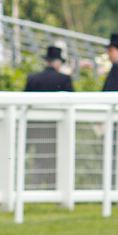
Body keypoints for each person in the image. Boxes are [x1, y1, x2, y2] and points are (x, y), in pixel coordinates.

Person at [23, 45, 72, 188]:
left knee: (38, 158)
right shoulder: (64, 79)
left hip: (35, 128)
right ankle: (53, 187)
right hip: (56, 128)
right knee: (55, 159)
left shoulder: (33, 78)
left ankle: (34, 189)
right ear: (59, 63)